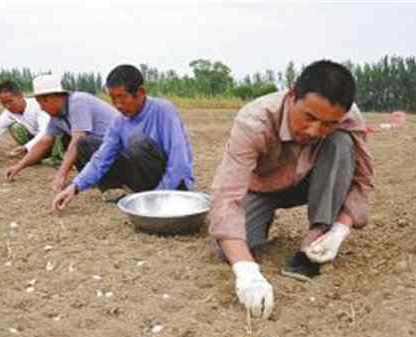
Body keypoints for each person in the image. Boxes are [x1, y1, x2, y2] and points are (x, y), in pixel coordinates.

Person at [208, 60, 374, 319]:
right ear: (292, 93)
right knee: (227, 250)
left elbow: (363, 179)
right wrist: (247, 273)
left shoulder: (349, 119)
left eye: (328, 123)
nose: (315, 131)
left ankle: (315, 239)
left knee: (341, 143)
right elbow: (227, 195)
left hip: (312, 182)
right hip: (261, 186)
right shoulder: (254, 120)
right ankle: (260, 228)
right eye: (308, 117)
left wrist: (339, 229)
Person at [50, 64, 195, 213]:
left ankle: (151, 195)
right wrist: (74, 187)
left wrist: (157, 199)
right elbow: (101, 159)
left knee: (138, 143)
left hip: (176, 186)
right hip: (145, 180)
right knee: (87, 144)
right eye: (113, 99)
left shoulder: (163, 110)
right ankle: (133, 193)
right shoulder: (119, 122)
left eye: (122, 97)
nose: (117, 105)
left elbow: (179, 164)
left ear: (141, 92)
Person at [5, 74, 119, 192]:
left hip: (120, 151)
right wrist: (18, 167)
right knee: (68, 140)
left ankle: (111, 183)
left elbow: (78, 140)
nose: (41, 108)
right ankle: (91, 179)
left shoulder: (78, 102)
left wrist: (61, 175)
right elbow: (44, 142)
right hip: (103, 151)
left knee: (81, 143)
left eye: (41, 103)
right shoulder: (56, 117)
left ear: (48, 98)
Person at [0, 80, 61, 173]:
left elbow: (45, 132)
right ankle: (38, 154)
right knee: (15, 127)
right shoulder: (8, 114)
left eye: (10, 101)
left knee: (57, 133)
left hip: (53, 137)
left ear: (20, 96)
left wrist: (25, 147)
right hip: (36, 141)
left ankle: (56, 157)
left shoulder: (38, 106)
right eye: (3, 103)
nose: (7, 106)